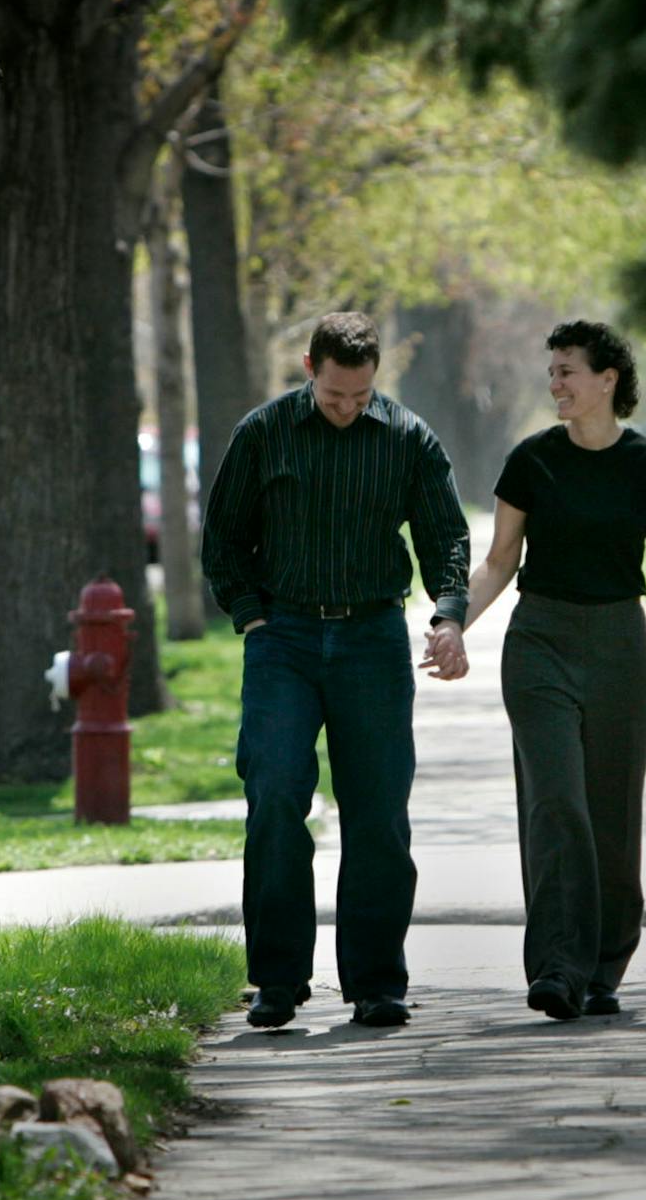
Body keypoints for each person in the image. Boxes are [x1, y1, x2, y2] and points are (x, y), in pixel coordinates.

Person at [430, 320, 646, 1022]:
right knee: (557, 804)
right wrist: (455, 621)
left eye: (567, 372)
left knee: (612, 817)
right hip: (541, 641)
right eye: (551, 372)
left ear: (607, 379)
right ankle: (557, 966)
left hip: (620, 643)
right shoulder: (532, 461)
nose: (554, 383)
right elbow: (499, 561)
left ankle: (604, 965)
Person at [202, 312, 471, 1030]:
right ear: (308, 367)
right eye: (333, 396)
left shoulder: (408, 438)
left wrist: (448, 615)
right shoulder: (263, 433)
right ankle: (278, 981)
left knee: (379, 811)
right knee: (277, 797)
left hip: (373, 638)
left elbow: (447, 534)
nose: (348, 409)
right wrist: (250, 612)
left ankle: (378, 983)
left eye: (360, 396)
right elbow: (223, 537)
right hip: (282, 639)